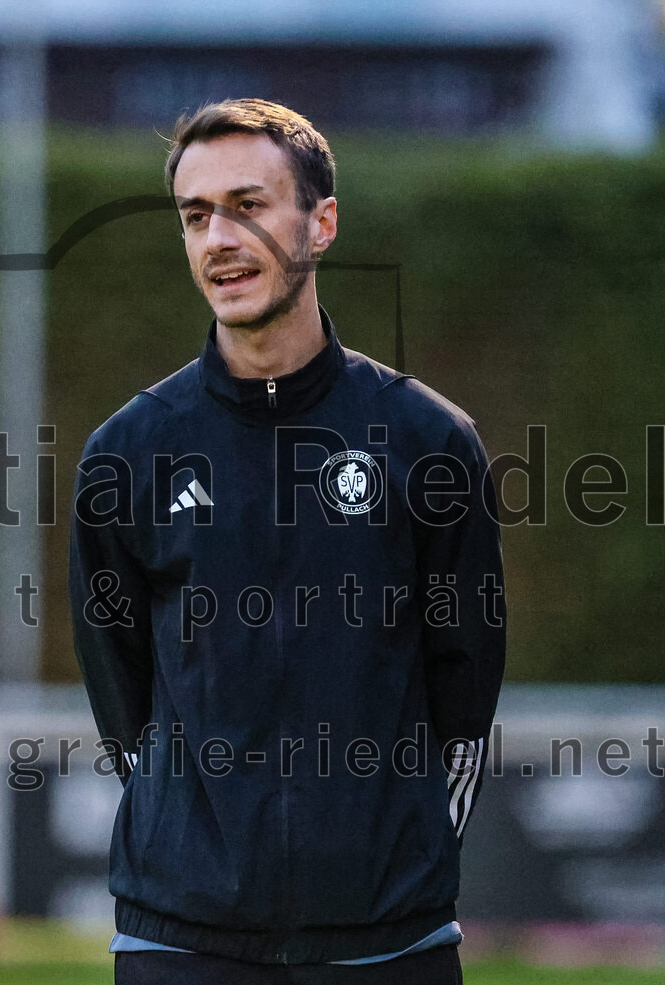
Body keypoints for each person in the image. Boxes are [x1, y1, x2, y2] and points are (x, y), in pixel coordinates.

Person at [69, 98, 505, 984]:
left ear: (322, 221)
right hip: (179, 938)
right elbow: (122, 693)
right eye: (196, 216)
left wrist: (392, 858)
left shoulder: (428, 441)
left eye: (249, 204)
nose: (219, 238)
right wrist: (190, 840)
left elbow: (465, 688)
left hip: (388, 937)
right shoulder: (128, 451)